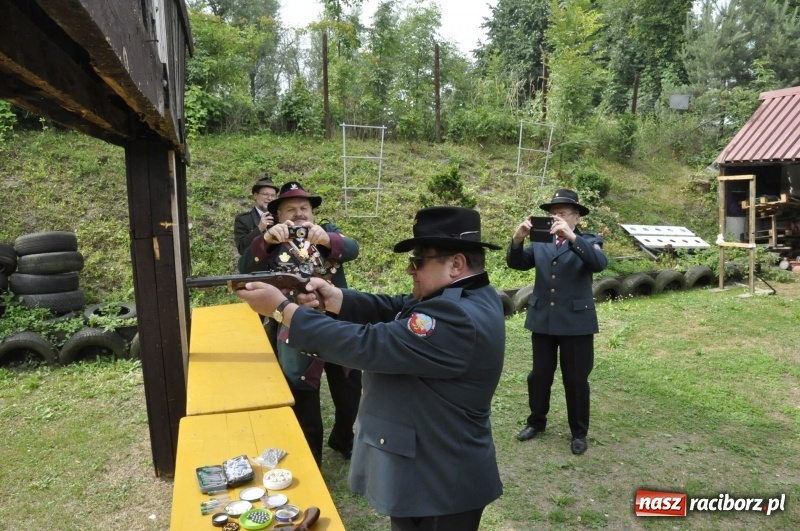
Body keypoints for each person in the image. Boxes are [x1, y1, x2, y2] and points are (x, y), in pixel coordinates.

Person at [236, 206, 505, 531]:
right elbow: (396, 306)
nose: (410, 269)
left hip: (440, 482)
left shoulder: (457, 316)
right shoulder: (465, 297)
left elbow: (368, 344)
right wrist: (335, 298)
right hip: (430, 470)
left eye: (419, 260)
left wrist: (284, 310)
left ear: (456, 264)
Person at [238, 181, 361, 466]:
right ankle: (311, 456)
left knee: (348, 388)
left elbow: (353, 249)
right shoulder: (270, 242)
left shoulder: (327, 234)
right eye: (290, 209)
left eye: (304, 208)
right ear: (279, 216)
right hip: (296, 325)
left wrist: (328, 240)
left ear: (313, 213)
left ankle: (344, 438)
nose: (299, 214)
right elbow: (245, 267)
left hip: (336, 323)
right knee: (304, 391)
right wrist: (266, 240)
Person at [507, 188, 608, 456]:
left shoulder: (588, 240)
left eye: (562, 213)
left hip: (576, 323)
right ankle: (536, 422)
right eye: (553, 214)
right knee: (539, 376)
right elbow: (517, 263)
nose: (556, 218)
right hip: (544, 320)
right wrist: (517, 240)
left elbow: (598, 263)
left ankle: (578, 432)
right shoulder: (541, 242)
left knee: (575, 380)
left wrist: (572, 237)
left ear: (576, 217)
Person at [234, 175, 279, 257]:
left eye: (273, 195)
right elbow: (242, 249)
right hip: (256, 266)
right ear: (255, 195)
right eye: (265, 194)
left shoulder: (279, 218)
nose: (270, 198)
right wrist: (259, 228)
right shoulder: (243, 220)